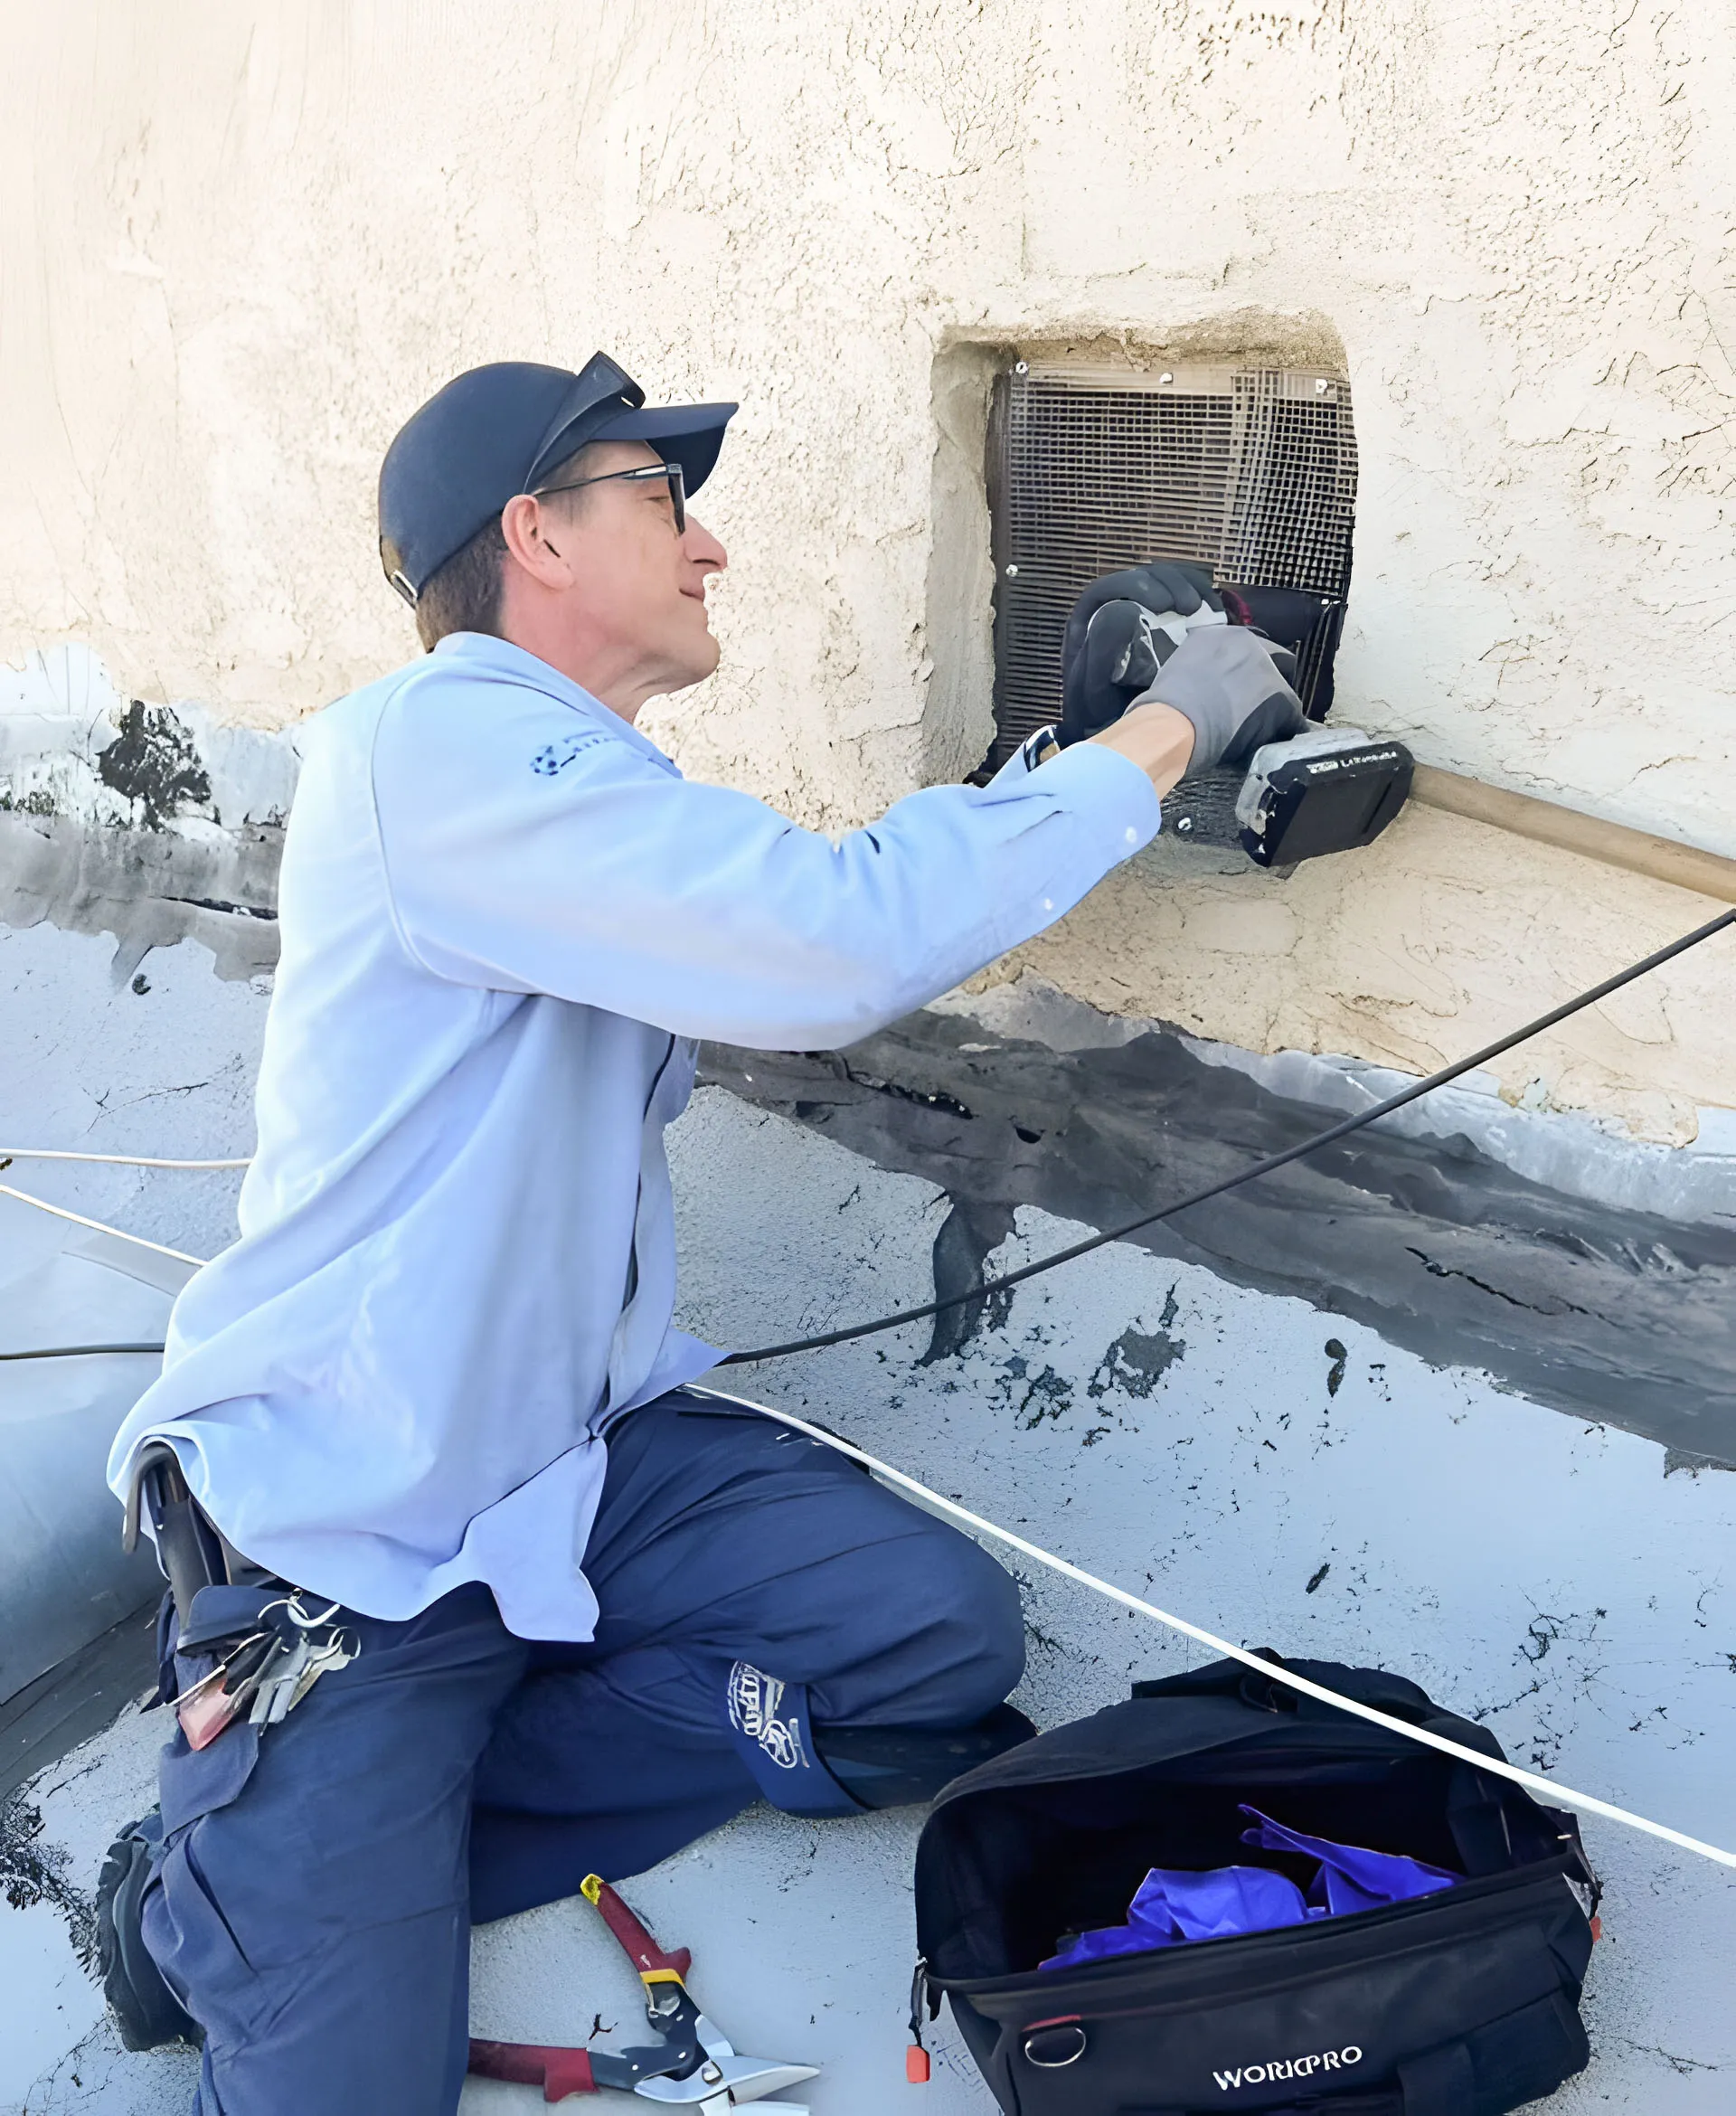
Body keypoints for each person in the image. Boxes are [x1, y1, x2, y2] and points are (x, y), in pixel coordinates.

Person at [98, 351, 1306, 2114]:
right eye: (663, 499)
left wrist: (1064, 758)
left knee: (928, 1654)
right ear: (536, 535)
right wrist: (1170, 727)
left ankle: (380, 1819)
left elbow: (801, 900)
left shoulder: (566, 788)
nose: (712, 546)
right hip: (347, 1542)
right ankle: (237, 1874)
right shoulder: (440, 749)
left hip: (563, 1475)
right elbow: (823, 943)